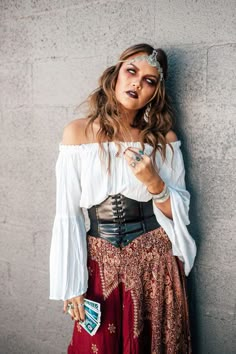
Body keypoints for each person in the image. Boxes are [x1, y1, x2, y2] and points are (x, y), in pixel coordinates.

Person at [49, 43, 197, 354]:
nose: (137, 84)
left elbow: (177, 214)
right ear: (116, 74)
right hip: (98, 265)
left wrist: (154, 182)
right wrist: (71, 285)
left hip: (155, 262)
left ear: (155, 92)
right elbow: (68, 215)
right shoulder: (77, 134)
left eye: (149, 81)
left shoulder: (163, 140)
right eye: (132, 71)